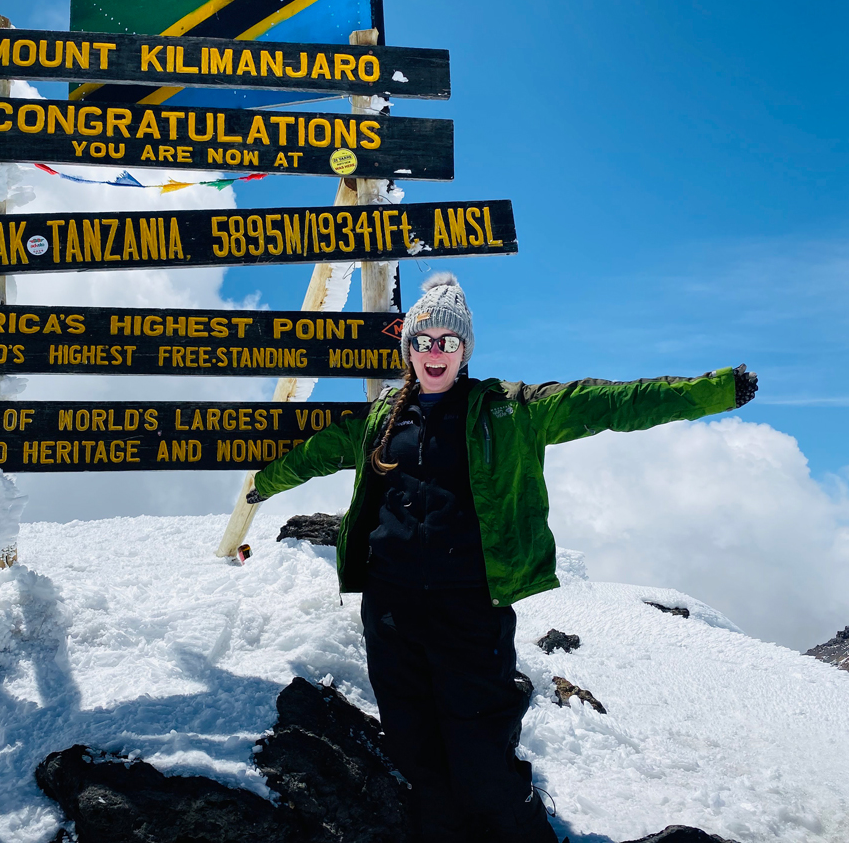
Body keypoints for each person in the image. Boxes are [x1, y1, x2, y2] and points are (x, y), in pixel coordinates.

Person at [245, 273, 758, 842]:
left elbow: (614, 402)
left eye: (447, 341)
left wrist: (715, 391)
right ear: (408, 349)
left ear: (465, 350)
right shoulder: (382, 415)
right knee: (415, 749)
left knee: (481, 757)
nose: (433, 352)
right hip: (390, 609)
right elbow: (324, 450)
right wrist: (266, 483)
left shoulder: (510, 411)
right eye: (423, 341)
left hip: (469, 611)